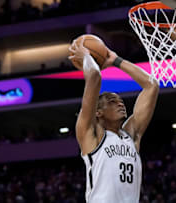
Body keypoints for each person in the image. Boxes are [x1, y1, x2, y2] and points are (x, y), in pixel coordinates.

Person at [68, 37, 159, 202]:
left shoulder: (131, 135)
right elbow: (94, 75)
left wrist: (116, 60)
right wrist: (86, 55)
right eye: (112, 102)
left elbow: (151, 85)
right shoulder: (92, 134)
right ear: (98, 113)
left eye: (121, 101)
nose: (120, 104)